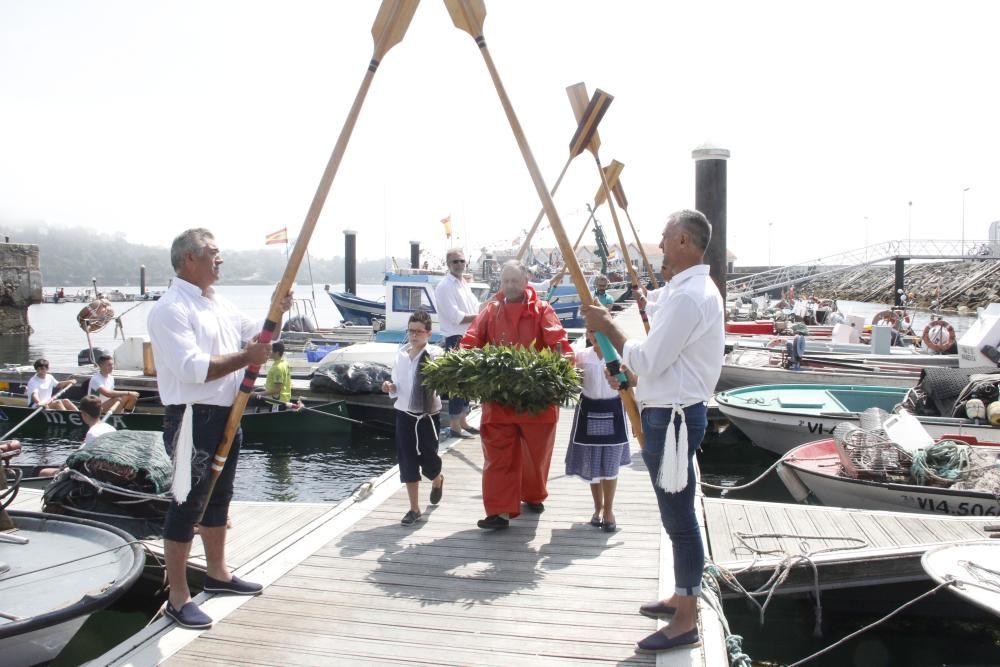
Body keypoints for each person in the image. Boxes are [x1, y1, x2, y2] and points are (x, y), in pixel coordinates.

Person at [583, 209, 724, 654]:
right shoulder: (688, 292)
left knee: (680, 518)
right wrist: (632, 381)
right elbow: (665, 363)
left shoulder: (689, 297)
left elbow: (647, 358)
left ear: (684, 240)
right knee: (674, 514)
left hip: (676, 419)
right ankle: (682, 595)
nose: (660, 245)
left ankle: (686, 619)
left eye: (665, 238)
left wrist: (608, 327)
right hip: (671, 410)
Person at [148, 228, 293, 631]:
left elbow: (262, 334)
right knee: (186, 503)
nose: (220, 259)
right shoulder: (170, 308)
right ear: (188, 259)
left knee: (219, 498)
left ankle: (218, 574)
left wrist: (277, 310)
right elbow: (193, 369)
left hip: (229, 412)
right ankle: (178, 597)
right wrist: (248, 357)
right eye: (213, 253)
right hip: (193, 416)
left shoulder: (218, 302)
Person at [461, 260, 572, 529]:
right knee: (498, 456)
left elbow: (558, 342)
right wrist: (464, 357)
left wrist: (563, 364)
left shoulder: (542, 309)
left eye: (514, 280)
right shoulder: (491, 310)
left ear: (526, 281)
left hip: (537, 399)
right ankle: (499, 512)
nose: (509, 285)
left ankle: (533, 494)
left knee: (536, 454)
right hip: (499, 398)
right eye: (505, 281)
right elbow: (472, 338)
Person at [381, 310, 445, 526]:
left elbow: (442, 376)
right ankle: (414, 509)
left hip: (427, 416)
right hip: (404, 414)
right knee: (407, 461)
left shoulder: (434, 354)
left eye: (419, 331)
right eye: (411, 331)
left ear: (428, 333)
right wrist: (389, 387)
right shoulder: (401, 354)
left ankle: (437, 479)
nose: (415, 335)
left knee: (429, 460)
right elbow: (397, 385)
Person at [564, 329, 630, 532]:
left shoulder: (619, 356)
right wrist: (566, 365)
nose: (593, 336)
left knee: (609, 466)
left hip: (614, 409)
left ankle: (609, 511)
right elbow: (571, 382)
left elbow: (630, 386)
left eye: (598, 332)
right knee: (593, 465)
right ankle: (597, 508)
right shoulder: (581, 356)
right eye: (590, 332)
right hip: (589, 409)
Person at [433, 247, 481, 438]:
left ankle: (463, 421)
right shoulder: (445, 286)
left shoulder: (463, 284)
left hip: (470, 336)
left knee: (468, 383)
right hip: (455, 339)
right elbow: (456, 317)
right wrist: (481, 316)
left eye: (462, 261)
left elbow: (476, 307)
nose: (459, 264)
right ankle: (454, 426)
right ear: (448, 264)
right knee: (457, 384)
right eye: (455, 261)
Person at [259, 342, 301, 411]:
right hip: (283, 399)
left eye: (271, 351)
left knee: (273, 421)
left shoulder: (277, 368)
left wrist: (258, 394)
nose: (269, 352)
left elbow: (277, 389)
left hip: (276, 401)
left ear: (277, 353)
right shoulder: (284, 362)